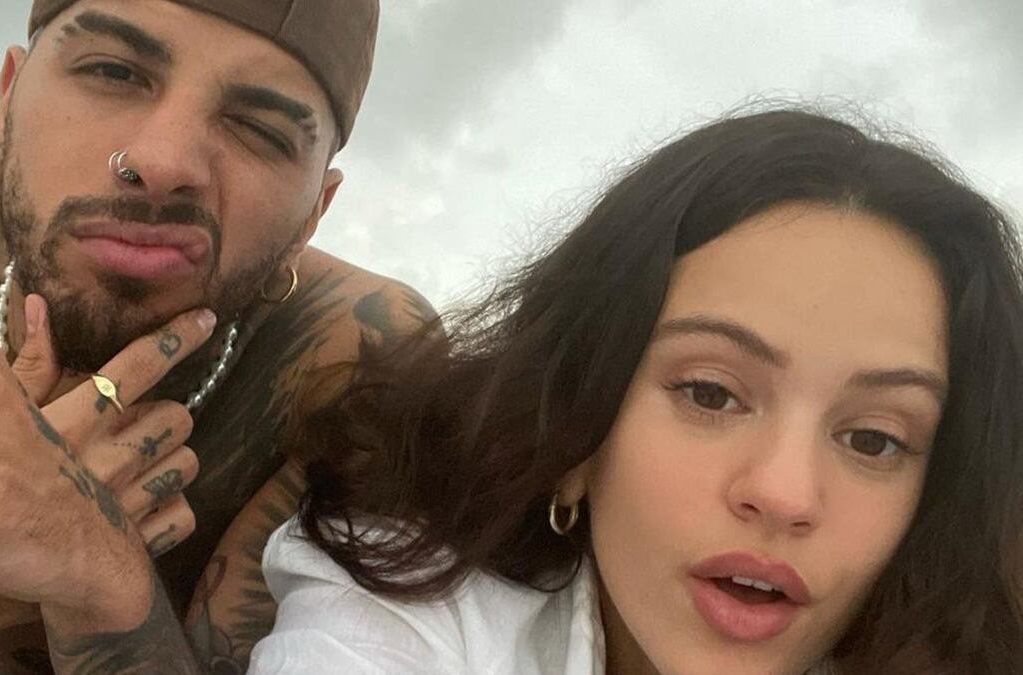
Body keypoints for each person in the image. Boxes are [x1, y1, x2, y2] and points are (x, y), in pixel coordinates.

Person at [249, 108, 1023, 674]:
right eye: (710, 393)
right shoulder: (411, 599)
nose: (784, 493)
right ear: (578, 428)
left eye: (874, 439)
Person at [0, 0, 433, 673]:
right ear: (6, 106)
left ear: (311, 216)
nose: (162, 162)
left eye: (259, 129)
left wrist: (98, 576)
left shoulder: (361, 359)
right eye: (112, 72)